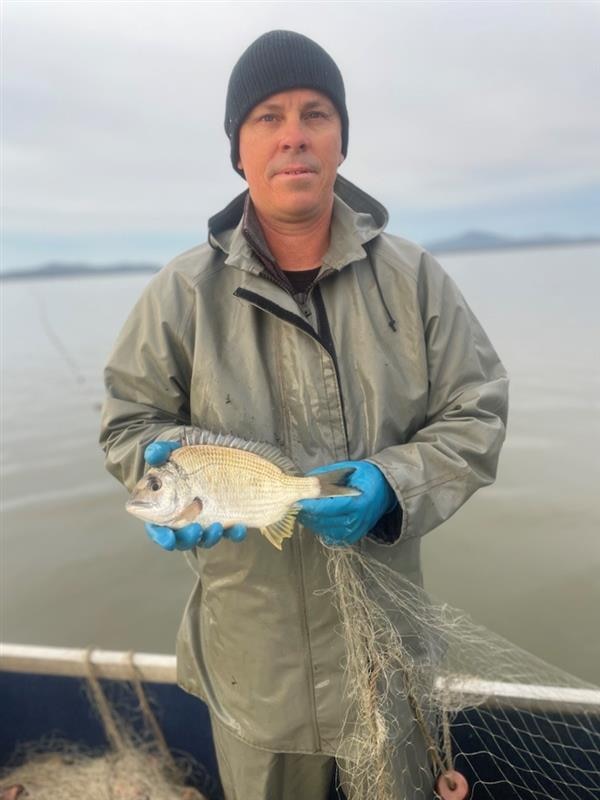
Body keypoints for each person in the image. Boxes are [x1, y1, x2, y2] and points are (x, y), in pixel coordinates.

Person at [100, 29, 509, 800]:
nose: (293, 135)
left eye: (315, 113)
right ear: (238, 150)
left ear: (342, 141)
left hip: (388, 666)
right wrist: (166, 471)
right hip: (256, 679)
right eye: (267, 117)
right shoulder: (180, 295)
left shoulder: (415, 279)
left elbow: (477, 409)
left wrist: (394, 483)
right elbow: (129, 422)